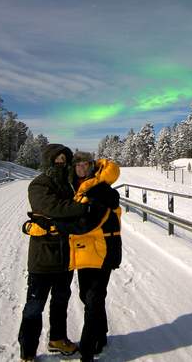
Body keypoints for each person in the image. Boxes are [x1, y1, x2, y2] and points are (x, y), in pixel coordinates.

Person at [18, 144, 89, 361]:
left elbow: (64, 213)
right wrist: (80, 208)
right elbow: (51, 208)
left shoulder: (69, 186)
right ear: (49, 160)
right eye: (57, 159)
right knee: (34, 306)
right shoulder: (39, 184)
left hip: (65, 256)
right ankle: (27, 351)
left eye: (64, 159)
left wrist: (65, 216)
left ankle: (57, 339)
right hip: (42, 258)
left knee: (61, 302)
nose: (61, 162)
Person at [66, 151, 122, 362]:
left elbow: (88, 223)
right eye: (77, 164)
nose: (81, 167)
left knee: (93, 298)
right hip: (85, 252)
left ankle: (88, 349)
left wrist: (61, 225)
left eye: (85, 164)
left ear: (92, 165)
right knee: (86, 296)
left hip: (103, 251)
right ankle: (101, 334)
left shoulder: (100, 190)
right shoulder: (78, 188)